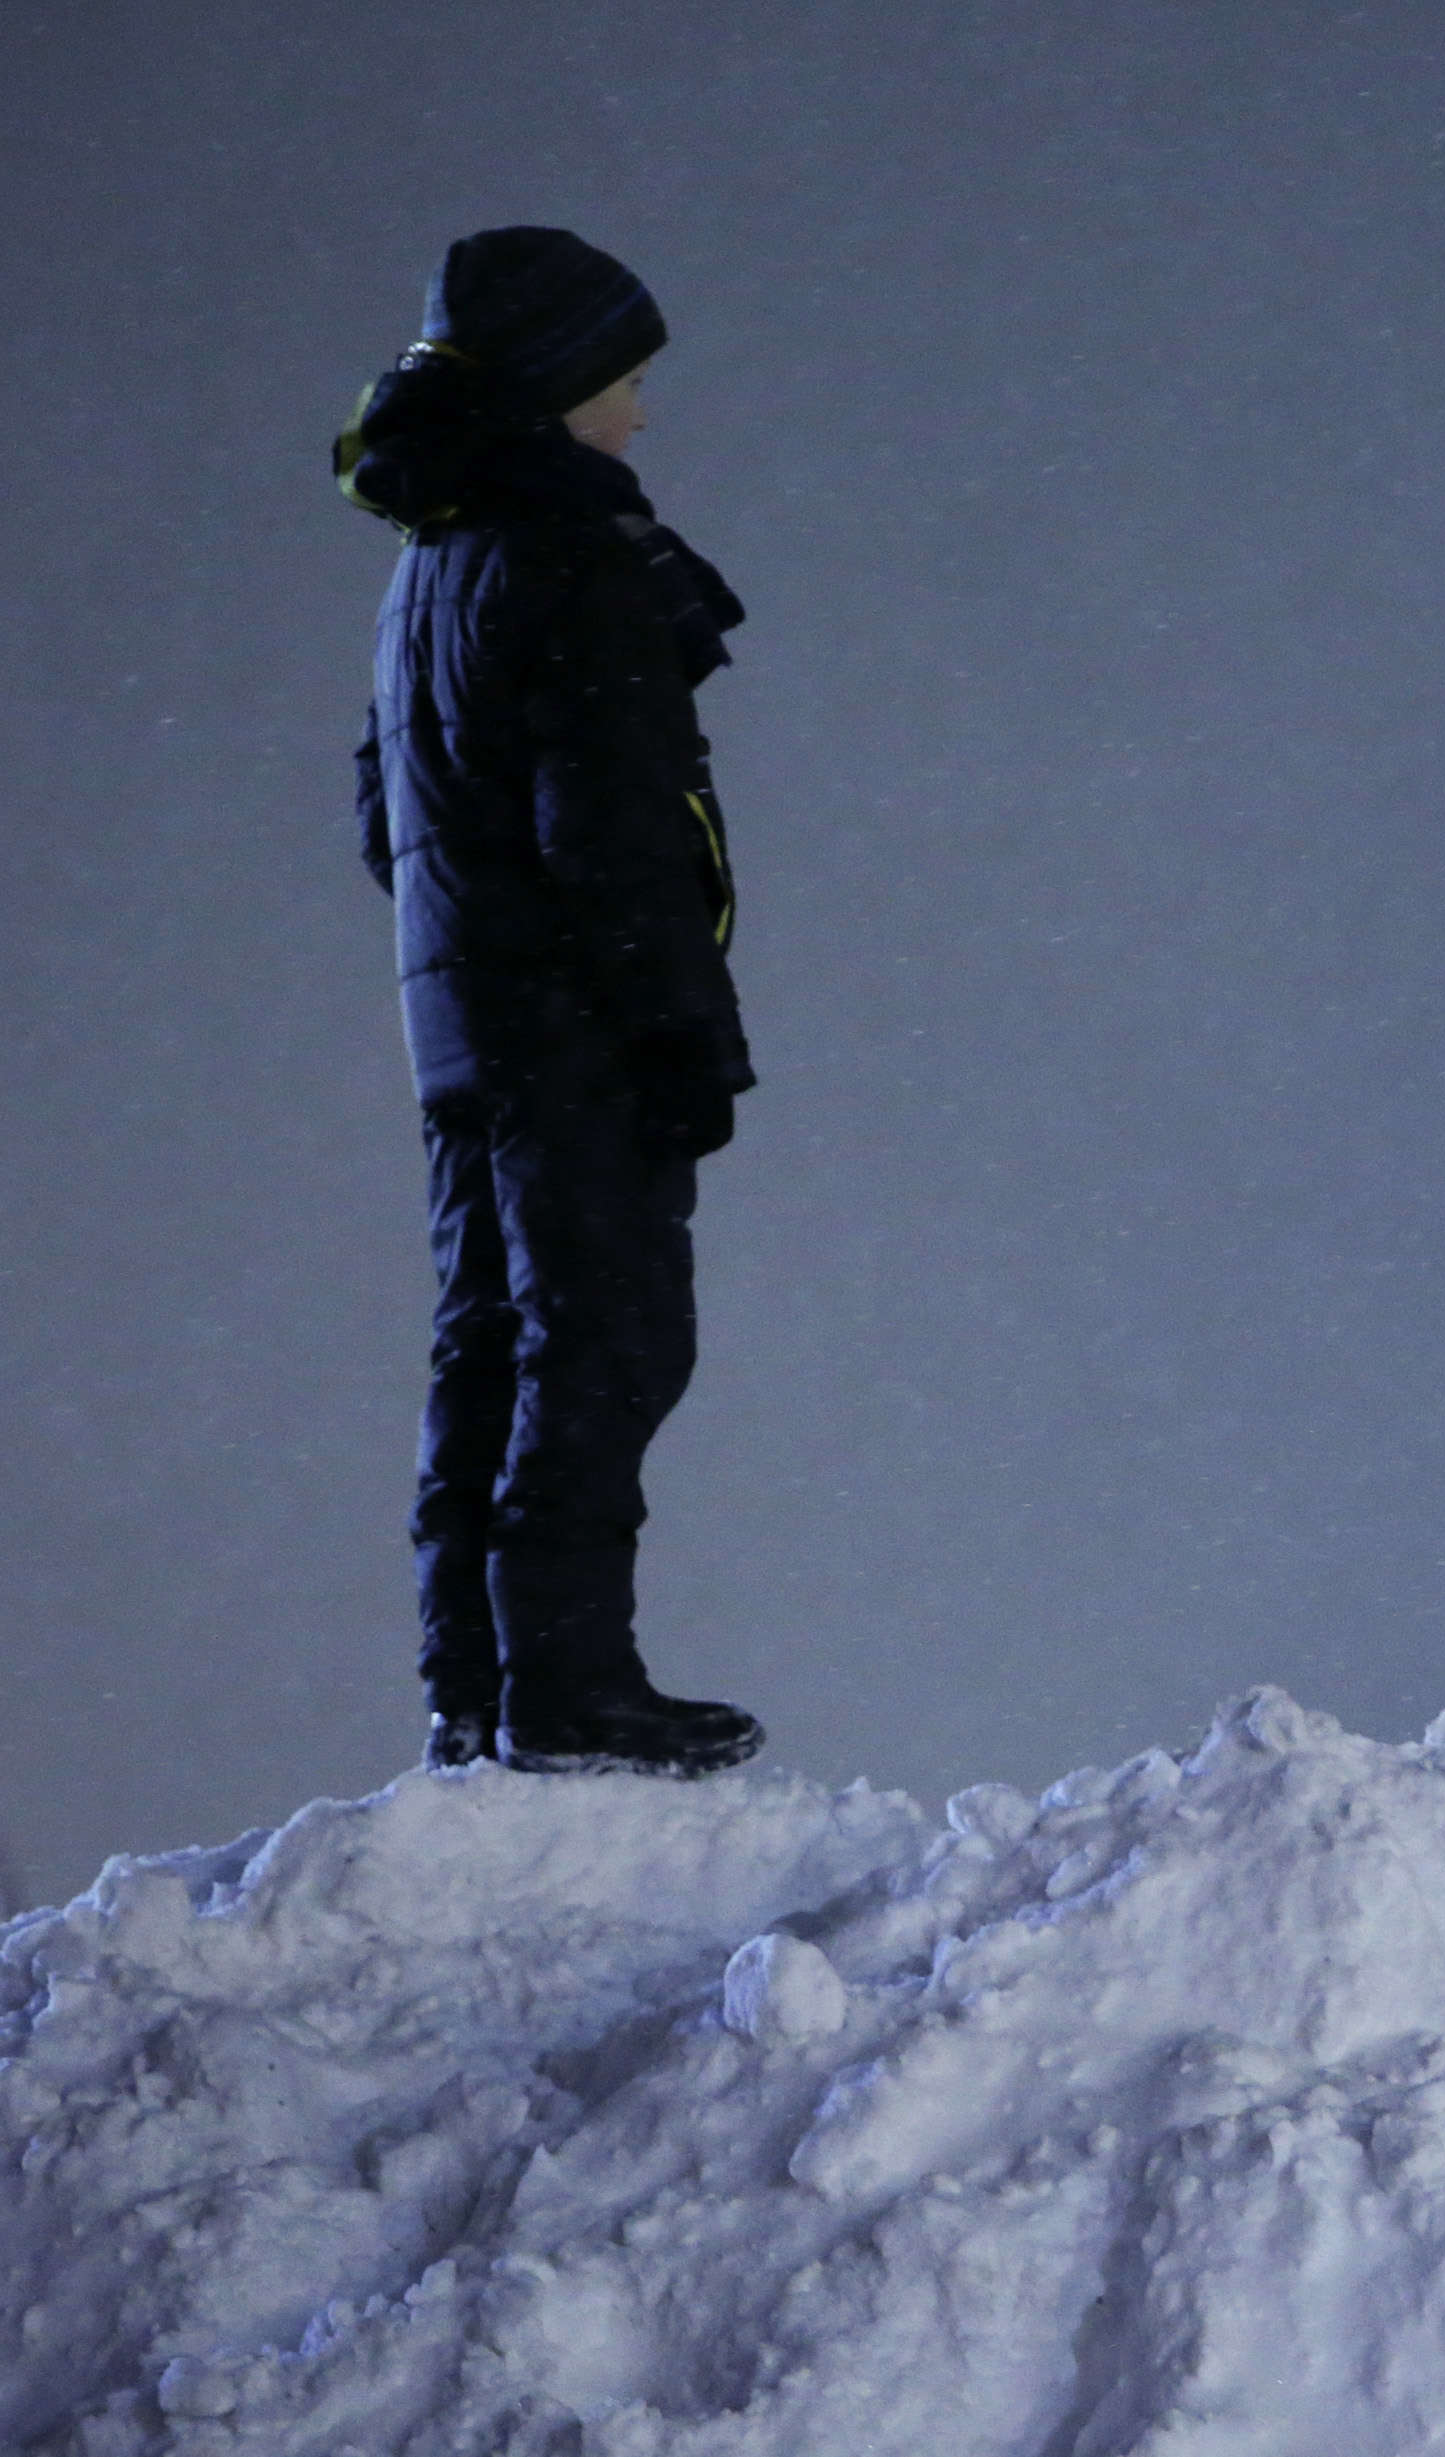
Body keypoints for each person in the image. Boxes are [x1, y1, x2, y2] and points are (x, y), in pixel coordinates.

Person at [334, 228, 765, 1777]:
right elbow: (621, 829)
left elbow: (391, 823)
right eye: (629, 381)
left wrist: (485, 966)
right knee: (611, 1338)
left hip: (464, 1033)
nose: (642, 416)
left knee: (494, 1340)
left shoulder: (428, 563)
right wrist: (673, 1032)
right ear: (568, 383)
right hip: (571, 1031)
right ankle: (569, 1683)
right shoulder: (570, 551)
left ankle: (478, 1681)